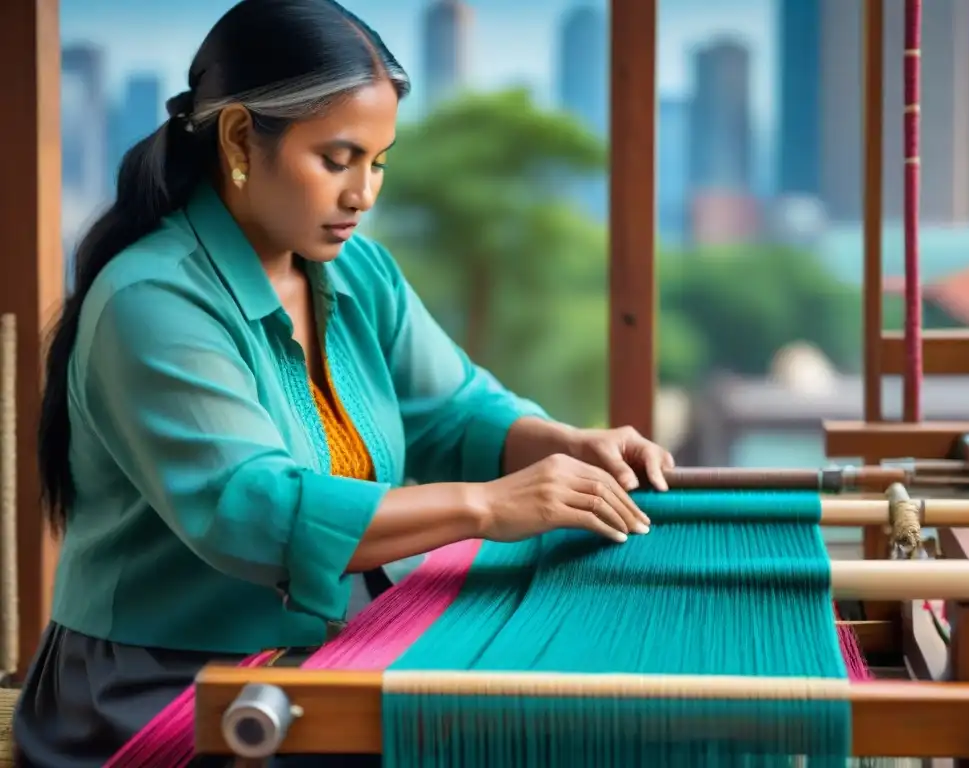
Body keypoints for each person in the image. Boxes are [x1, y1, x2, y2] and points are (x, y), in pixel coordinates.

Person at [14, 0, 674, 765]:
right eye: (336, 159)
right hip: (163, 686)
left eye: (379, 161)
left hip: (332, 650)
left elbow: (453, 411)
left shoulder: (355, 269)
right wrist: (488, 506)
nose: (364, 194)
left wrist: (562, 445)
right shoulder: (151, 302)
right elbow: (252, 509)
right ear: (238, 140)